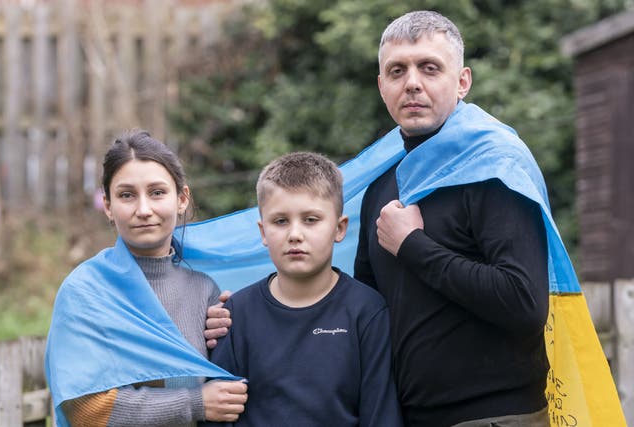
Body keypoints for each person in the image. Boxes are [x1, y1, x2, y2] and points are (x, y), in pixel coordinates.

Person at [206, 11, 552, 427]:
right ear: (381, 87)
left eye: (429, 68)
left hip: (494, 417)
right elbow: (359, 309)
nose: (412, 83)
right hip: (409, 415)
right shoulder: (382, 188)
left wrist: (414, 247)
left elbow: (525, 304)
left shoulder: (493, 170)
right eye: (397, 70)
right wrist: (243, 315)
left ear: (462, 82)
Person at [45, 130, 248, 427]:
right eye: (127, 195)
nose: (144, 209)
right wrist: (196, 403)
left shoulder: (204, 290)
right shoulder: (86, 292)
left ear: (182, 199)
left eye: (157, 192)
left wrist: (238, 321)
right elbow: (86, 411)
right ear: (109, 206)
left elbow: (225, 389)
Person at [204, 152, 403, 427]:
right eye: (280, 221)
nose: (294, 234)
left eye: (311, 220)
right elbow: (217, 416)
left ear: (339, 227)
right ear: (263, 232)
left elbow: (381, 416)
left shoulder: (367, 310)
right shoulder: (235, 314)